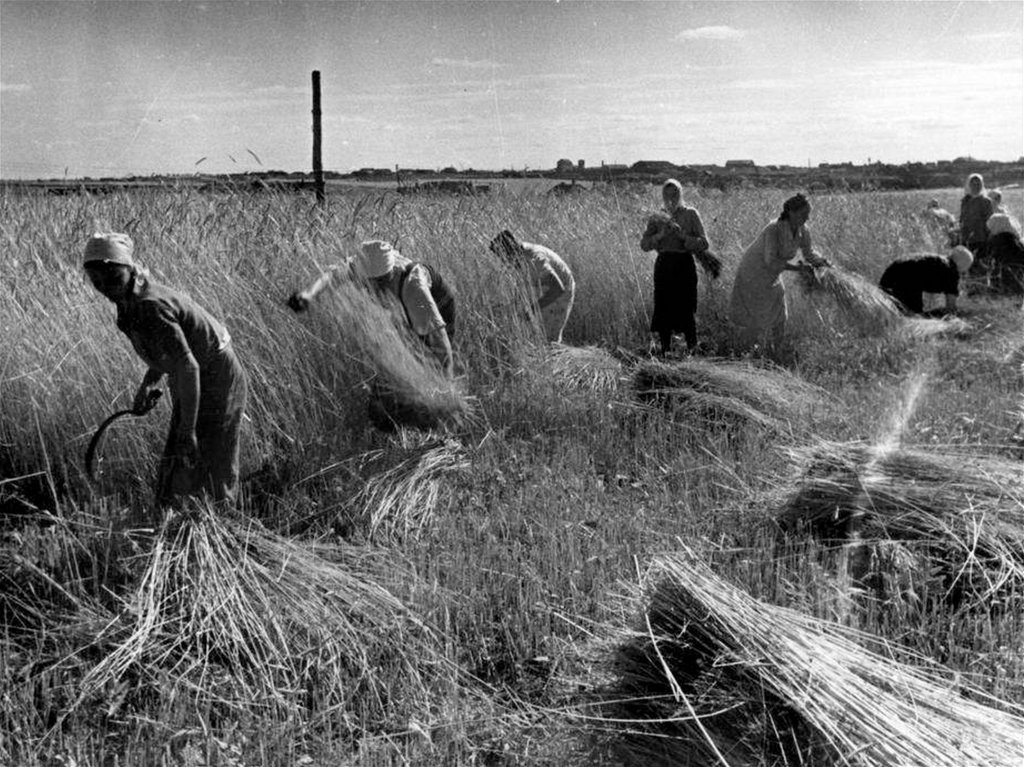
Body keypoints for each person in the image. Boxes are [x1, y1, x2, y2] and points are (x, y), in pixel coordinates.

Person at [83, 232, 248, 507]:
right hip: (192, 375)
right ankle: (182, 523)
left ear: (129, 269)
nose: (105, 288)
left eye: (112, 279)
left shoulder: (150, 305)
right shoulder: (128, 302)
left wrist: (188, 430)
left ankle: (222, 529)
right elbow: (166, 352)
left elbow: (188, 365)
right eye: (97, 281)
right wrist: (148, 382)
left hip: (217, 375)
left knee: (210, 455)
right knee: (182, 458)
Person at [289, 240, 455, 378]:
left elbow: (440, 340)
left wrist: (446, 390)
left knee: (433, 357)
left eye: (380, 283)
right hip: (402, 303)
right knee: (407, 356)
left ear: (388, 276)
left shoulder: (413, 288)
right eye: (367, 284)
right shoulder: (363, 266)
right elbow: (331, 276)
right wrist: (307, 295)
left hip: (438, 299)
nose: (369, 290)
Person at [729, 193, 830, 354]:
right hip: (753, 273)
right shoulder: (774, 229)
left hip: (772, 275)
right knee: (755, 318)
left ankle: (777, 351)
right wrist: (798, 269)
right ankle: (744, 354)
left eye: (808, 214)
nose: (807, 218)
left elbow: (809, 253)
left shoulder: (803, 230)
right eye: (804, 214)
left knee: (780, 314)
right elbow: (771, 261)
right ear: (791, 212)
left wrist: (823, 262)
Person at [639, 179, 711, 355]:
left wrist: (683, 236)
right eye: (667, 195)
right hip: (664, 265)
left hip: (684, 264)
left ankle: (692, 350)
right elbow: (644, 244)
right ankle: (665, 351)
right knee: (663, 307)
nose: (671, 199)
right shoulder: (657, 217)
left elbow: (704, 243)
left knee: (687, 308)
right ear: (663, 196)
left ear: (680, 195)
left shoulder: (691, 214)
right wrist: (661, 235)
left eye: (675, 194)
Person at [488, 230, 575, 343]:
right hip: (543, 286)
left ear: (511, 251)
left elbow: (557, 289)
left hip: (562, 290)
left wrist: (532, 310)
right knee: (530, 330)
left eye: (504, 257)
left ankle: (552, 355)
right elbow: (524, 284)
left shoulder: (535, 260)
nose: (504, 262)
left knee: (548, 338)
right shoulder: (519, 253)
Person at [878, 245, 974, 315]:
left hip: (893, 270)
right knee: (912, 316)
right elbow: (951, 308)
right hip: (907, 277)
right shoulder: (951, 272)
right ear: (963, 265)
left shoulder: (939, 261)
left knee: (892, 310)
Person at [959, 174, 993, 271]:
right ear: (969, 185)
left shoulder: (986, 201)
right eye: (973, 184)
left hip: (981, 239)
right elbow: (961, 218)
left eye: (978, 184)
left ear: (982, 185)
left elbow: (990, 222)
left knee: (980, 266)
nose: (976, 186)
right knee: (967, 266)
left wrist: (988, 238)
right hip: (966, 238)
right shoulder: (965, 200)